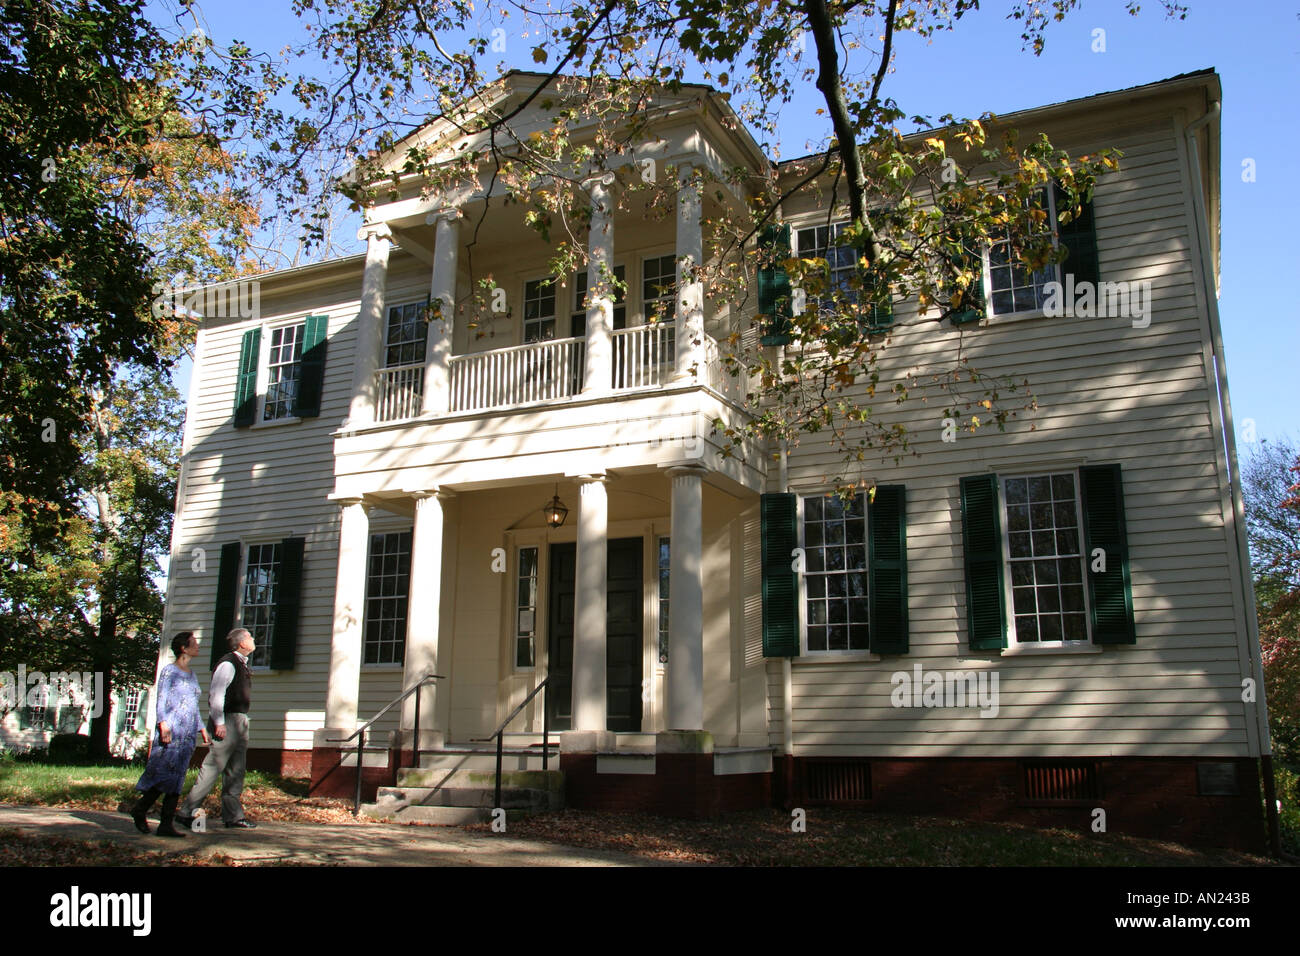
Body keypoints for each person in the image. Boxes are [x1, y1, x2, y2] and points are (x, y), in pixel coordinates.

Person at [175, 627, 258, 830]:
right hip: (227, 721)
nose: (253, 639)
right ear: (241, 643)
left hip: (239, 720)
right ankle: (186, 811)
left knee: (236, 770)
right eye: (249, 637)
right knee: (213, 767)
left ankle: (233, 816)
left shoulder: (241, 664)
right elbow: (216, 695)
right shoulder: (228, 664)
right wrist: (219, 722)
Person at [129, 631, 210, 837]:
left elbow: (192, 706)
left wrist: (201, 728)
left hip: (187, 733)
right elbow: (161, 698)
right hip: (171, 731)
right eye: (194, 643)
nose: (198, 646)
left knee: (177, 778)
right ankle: (140, 809)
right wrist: (162, 723)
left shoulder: (191, 674)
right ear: (183, 648)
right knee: (163, 774)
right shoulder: (169, 671)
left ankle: (166, 824)